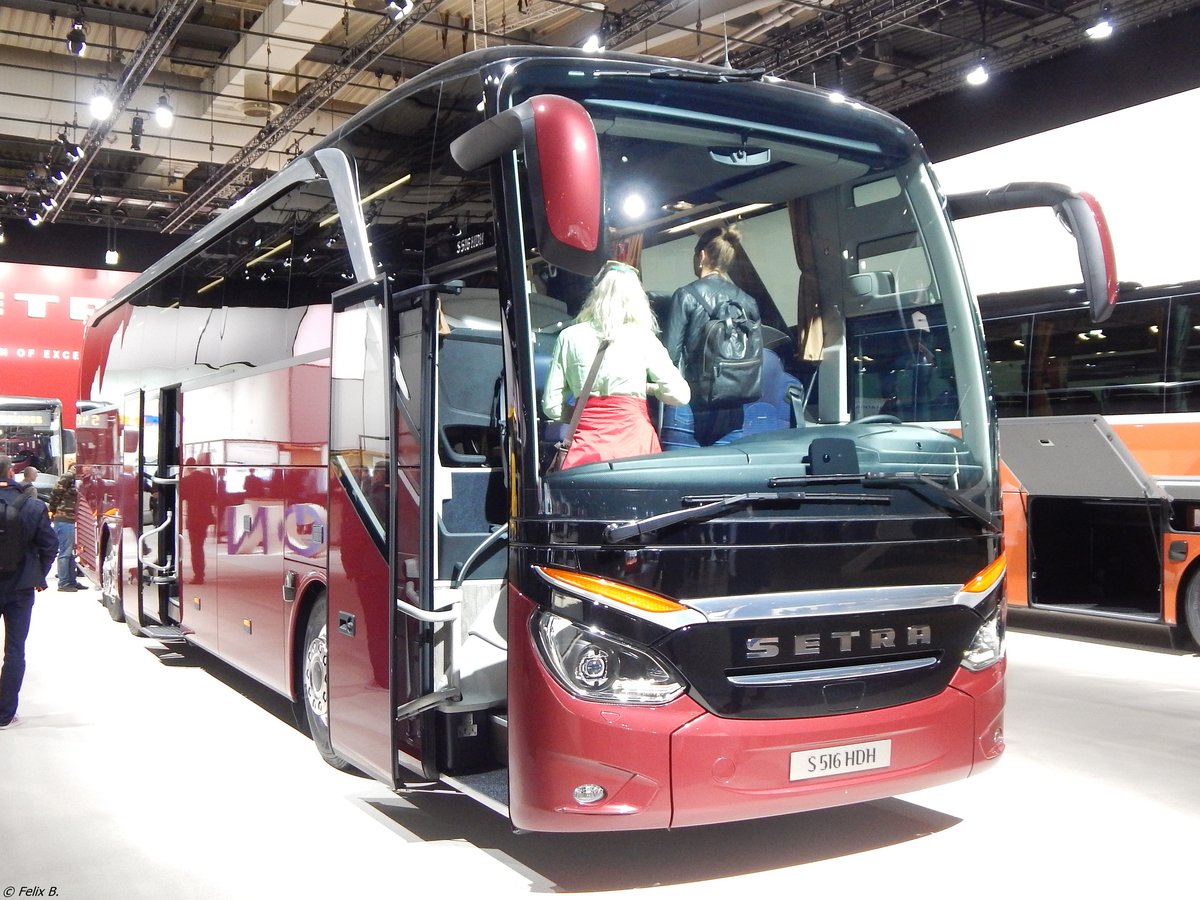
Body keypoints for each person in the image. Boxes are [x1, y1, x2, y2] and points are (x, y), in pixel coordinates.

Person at [542, 261, 690, 470]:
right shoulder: (643, 338)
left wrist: (584, 415)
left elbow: (551, 405)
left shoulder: (569, 337)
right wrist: (652, 389)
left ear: (595, 294)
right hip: (636, 448)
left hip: (586, 449)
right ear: (637, 299)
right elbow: (680, 395)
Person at [662, 224, 763, 447]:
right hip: (734, 410)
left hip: (690, 408)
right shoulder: (748, 302)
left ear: (702, 256)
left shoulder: (686, 295)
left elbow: (669, 356)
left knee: (681, 479)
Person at [0, 454, 59, 728]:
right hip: (21, 587)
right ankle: (5, 714)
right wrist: (39, 575)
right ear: (11, 472)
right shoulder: (34, 506)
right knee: (14, 649)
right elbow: (50, 546)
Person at [47, 465, 85, 592]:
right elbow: (55, 495)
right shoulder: (67, 477)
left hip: (72, 519)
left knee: (72, 553)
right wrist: (52, 510)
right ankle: (64, 582)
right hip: (64, 519)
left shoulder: (78, 479)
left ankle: (72, 581)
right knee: (65, 552)